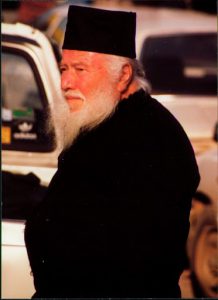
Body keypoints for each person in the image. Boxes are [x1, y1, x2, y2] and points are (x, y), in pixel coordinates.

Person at [25, 5, 200, 298]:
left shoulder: (155, 140)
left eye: (80, 69)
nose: (66, 83)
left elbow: (129, 262)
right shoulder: (100, 121)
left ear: (123, 76)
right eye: (64, 69)